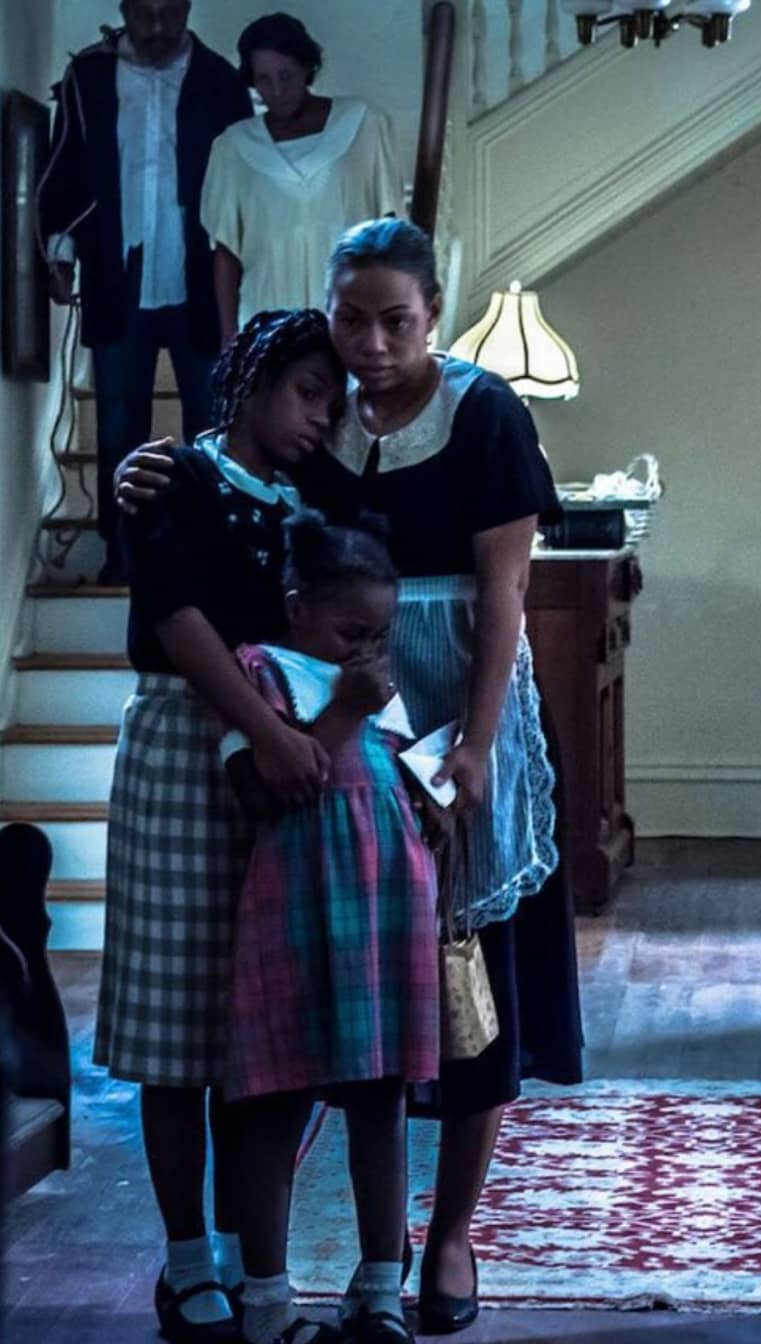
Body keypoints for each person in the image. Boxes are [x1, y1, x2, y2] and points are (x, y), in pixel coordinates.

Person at [117, 219, 582, 1335]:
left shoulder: (482, 411)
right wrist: (148, 463)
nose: (372, 346)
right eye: (352, 321)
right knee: (345, 977)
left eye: (397, 321)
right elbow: (223, 513)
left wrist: (475, 744)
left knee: (471, 976)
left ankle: (449, 1238)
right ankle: (271, 1257)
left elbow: (506, 591)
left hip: (454, 694)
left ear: (435, 312)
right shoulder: (312, 425)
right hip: (328, 709)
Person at [98, 310, 343, 1343]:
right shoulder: (177, 479)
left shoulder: (313, 499)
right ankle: (186, 1257)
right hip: (185, 745)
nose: (320, 419)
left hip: (278, 756)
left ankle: (252, 1259)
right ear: (250, 382)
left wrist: (295, 737)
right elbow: (177, 617)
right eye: (306, 394)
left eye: (333, 405)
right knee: (175, 1026)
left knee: (262, 1020)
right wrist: (266, 733)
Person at [222, 510, 440, 1344]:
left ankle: (381, 1287)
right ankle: (267, 1303)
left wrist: (433, 803)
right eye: (351, 632)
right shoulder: (262, 674)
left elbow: (397, 768)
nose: (366, 652)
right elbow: (270, 785)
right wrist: (348, 707)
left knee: (382, 1096)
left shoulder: (375, 687)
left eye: (379, 636)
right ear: (297, 609)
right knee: (276, 1102)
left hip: (383, 903)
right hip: (300, 905)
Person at [39, 0, 252, 584]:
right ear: (124, 11)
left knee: (210, 427)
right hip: (117, 281)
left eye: (168, 14)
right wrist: (60, 256)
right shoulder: (87, 78)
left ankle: (208, 555)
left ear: (187, 10)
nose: (157, 28)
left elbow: (245, 181)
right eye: (144, 14)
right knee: (118, 429)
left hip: (198, 285)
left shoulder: (220, 81)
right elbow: (66, 169)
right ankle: (124, 554)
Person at [202, 13, 402, 340]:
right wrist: (229, 337)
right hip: (267, 314)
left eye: (286, 75)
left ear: (306, 67)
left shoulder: (363, 123)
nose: (277, 90)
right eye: (264, 79)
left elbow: (390, 230)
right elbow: (226, 252)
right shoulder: (233, 148)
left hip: (353, 311)